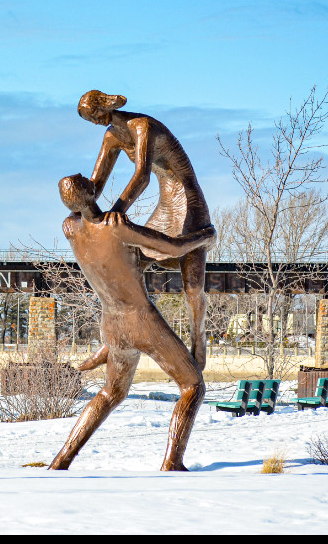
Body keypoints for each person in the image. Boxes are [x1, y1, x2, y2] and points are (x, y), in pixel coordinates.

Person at [49, 174, 215, 471]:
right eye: (89, 181)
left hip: (111, 323)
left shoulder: (70, 229)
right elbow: (174, 248)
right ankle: (172, 462)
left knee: (110, 392)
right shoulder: (117, 228)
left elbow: (126, 258)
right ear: (91, 191)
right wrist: (204, 236)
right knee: (192, 386)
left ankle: (62, 460)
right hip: (140, 320)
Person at [79, 90, 213, 370]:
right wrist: (79, 205)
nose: (92, 122)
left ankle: (199, 340)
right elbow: (96, 182)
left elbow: (142, 176)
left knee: (192, 285)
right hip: (167, 203)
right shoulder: (111, 136)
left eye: (92, 115)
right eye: (88, 119)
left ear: (103, 108)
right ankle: (114, 340)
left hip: (188, 201)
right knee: (129, 267)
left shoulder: (143, 127)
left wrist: (116, 212)